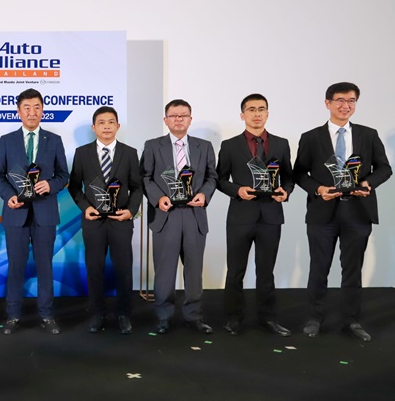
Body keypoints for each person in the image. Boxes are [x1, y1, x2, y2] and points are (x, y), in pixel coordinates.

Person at [293, 82, 391, 342]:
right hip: (322, 212)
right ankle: (314, 318)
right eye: (340, 100)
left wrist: (368, 183)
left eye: (351, 101)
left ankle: (351, 320)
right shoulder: (311, 137)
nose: (345, 105)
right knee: (318, 268)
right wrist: (318, 189)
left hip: (357, 212)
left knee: (352, 269)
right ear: (328, 103)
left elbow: (384, 168)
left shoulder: (368, 135)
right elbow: (299, 173)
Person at [0, 88, 69, 335]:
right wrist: (9, 196)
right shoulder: (6, 140)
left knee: (45, 265)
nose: (32, 112)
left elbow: (63, 175)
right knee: (15, 265)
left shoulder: (54, 140)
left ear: (42, 110)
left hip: (45, 213)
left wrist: (51, 185)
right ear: (19, 111)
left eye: (36, 107)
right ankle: (13, 315)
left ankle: (47, 315)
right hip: (16, 212)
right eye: (27, 108)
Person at [216, 94, 294, 337]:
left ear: (268, 114)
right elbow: (219, 179)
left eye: (261, 109)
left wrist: (286, 191)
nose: (257, 113)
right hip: (241, 215)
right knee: (235, 271)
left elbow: (289, 177)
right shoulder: (230, 145)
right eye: (251, 109)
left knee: (266, 271)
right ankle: (233, 318)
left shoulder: (281, 144)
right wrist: (237, 190)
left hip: (271, 215)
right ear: (243, 115)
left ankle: (268, 319)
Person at [141, 99, 217, 335]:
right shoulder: (153, 146)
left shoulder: (204, 146)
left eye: (183, 115)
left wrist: (204, 195)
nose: (179, 119)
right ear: (166, 120)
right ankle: (164, 317)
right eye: (174, 115)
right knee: (165, 271)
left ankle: (194, 316)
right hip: (166, 214)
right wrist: (158, 198)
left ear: (190, 119)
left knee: (194, 271)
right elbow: (145, 177)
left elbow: (212, 177)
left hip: (194, 214)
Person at [68, 106, 142, 334]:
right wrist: (86, 208)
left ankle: (124, 314)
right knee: (94, 268)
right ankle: (97, 313)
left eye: (111, 122)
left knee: (123, 268)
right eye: (101, 122)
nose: (107, 126)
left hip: (120, 219)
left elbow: (137, 187)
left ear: (118, 126)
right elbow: (74, 187)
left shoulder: (129, 153)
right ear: (94, 127)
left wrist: (131, 211)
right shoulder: (82, 153)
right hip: (94, 220)